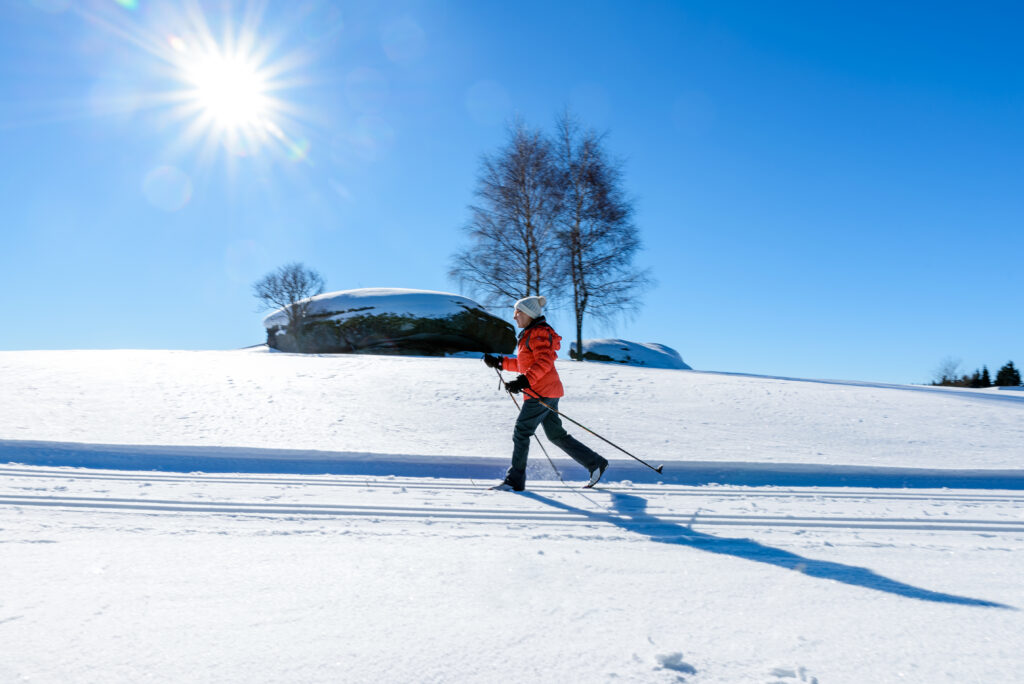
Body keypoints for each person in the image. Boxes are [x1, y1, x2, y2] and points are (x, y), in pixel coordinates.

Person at [483, 295, 608, 491]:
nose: (514, 316)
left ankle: (515, 479)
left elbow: (543, 362)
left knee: (521, 431)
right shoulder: (530, 334)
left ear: (529, 314)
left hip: (540, 392)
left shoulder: (538, 333)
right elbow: (524, 364)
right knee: (556, 435)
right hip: (546, 390)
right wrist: (500, 362)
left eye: (517, 312)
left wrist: (525, 381)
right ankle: (595, 463)